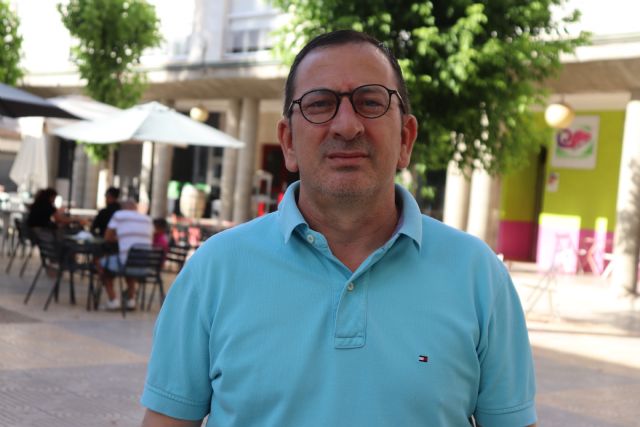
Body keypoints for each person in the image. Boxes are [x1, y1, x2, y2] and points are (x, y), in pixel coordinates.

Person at [141, 30, 537, 427]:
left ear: (406, 138)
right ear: (288, 142)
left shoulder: (478, 275)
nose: (347, 126)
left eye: (370, 102)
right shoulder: (214, 270)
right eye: (320, 104)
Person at [99, 199, 153, 311]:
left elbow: (107, 237)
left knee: (102, 264)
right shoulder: (147, 219)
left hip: (126, 262)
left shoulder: (119, 215)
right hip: (144, 264)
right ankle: (131, 300)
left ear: (122, 208)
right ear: (135, 208)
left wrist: (120, 238)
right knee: (130, 265)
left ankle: (113, 300)